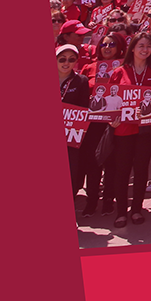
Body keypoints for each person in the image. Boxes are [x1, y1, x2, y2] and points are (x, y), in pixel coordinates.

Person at [107, 33, 151, 228]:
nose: (145, 50)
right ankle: (121, 211)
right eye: (141, 45)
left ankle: (137, 209)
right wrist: (111, 120)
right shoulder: (119, 72)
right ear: (132, 48)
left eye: (149, 46)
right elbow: (110, 102)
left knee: (141, 171)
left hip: (147, 129)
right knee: (122, 170)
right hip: (123, 129)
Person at [59, 44, 93, 209]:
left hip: (70, 136)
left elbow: (83, 109)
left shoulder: (81, 81)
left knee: (70, 173)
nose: (67, 63)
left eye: (72, 59)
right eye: (62, 59)